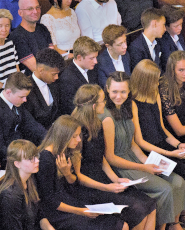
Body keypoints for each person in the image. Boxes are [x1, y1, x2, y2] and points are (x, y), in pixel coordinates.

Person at [99, 71, 185, 230]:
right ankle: (162, 227)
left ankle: (174, 223)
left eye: (123, 92)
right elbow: (110, 157)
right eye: (115, 92)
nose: (119, 96)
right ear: (107, 90)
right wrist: (144, 167)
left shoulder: (131, 105)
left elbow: (133, 144)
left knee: (178, 181)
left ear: (129, 90)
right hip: (121, 165)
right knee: (165, 188)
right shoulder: (106, 116)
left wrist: (149, 161)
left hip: (134, 157)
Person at [72, 84, 157, 230]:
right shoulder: (77, 132)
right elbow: (78, 176)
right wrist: (107, 187)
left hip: (103, 178)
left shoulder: (97, 123)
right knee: (137, 209)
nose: (105, 104)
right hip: (89, 187)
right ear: (93, 106)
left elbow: (101, 158)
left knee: (149, 204)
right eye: (102, 101)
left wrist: (115, 179)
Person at [36, 115, 129, 230]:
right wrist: (81, 211)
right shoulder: (46, 159)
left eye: (78, 135)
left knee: (121, 223)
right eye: (74, 136)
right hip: (57, 212)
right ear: (63, 137)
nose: (79, 140)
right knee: (118, 226)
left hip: (69, 201)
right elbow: (50, 200)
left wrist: (67, 173)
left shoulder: (65, 151)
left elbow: (73, 183)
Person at [130, 59, 185, 181]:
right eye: (155, 81)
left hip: (162, 144)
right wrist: (171, 153)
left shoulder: (155, 94)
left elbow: (162, 128)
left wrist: (179, 144)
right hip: (149, 151)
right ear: (145, 82)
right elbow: (140, 142)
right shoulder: (133, 103)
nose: (158, 84)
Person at [0, 139, 55, 230]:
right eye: (31, 159)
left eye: (36, 156)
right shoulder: (10, 196)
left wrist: (49, 228)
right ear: (17, 164)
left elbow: (39, 214)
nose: (37, 160)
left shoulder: (30, 179)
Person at [0, 72, 46, 170]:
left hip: (23, 151)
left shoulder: (16, 102)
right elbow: (1, 147)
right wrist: (24, 157)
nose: (25, 100)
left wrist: (49, 138)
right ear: (8, 92)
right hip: (10, 159)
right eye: (21, 97)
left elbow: (32, 125)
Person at [9, 0, 53, 76]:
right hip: (33, 81)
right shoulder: (17, 36)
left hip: (50, 74)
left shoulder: (43, 28)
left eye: (37, 7)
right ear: (20, 13)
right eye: (30, 9)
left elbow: (53, 56)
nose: (35, 11)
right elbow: (36, 69)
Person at [24, 48, 65, 129]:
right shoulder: (26, 91)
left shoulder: (54, 83)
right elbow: (30, 125)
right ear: (41, 70)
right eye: (54, 74)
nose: (56, 77)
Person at [60, 36, 101, 114]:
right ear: (79, 57)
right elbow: (72, 109)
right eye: (92, 58)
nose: (96, 61)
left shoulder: (91, 68)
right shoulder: (67, 78)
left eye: (96, 57)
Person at [159, 51, 185, 143]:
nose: (184, 73)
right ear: (172, 70)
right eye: (181, 70)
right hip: (174, 139)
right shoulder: (165, 89)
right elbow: (179, 131)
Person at [97, 24, 131, 89]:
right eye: (120, 44)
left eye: (125, 41)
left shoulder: (126, 54)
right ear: (109, 46)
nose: (125, 46)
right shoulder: (101, 63)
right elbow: (107, 89)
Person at [159, 5, 185, 72]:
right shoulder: (163, 43)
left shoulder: (178, 35)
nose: (180, 28)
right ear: (166, 27)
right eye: (176, 26)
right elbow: (171, 65)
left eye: (181, 24)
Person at [0, 9, 19, 89]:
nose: (4, 30)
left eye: (7, 25)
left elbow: (17, 69)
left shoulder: (10, 43)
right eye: (0, 26)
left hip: (15, 86)